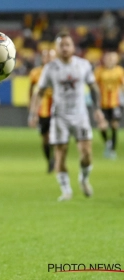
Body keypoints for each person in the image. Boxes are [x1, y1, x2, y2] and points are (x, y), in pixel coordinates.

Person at [28, 32, 106, 201]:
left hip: (80, 115)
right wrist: (33, 113)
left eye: (67, 45)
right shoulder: (50, 68)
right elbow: (39, 92)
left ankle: (84, 179)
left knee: (86, 153)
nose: (64, 48)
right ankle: (66, 190)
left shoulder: (83, 65)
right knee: (60, 154)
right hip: (60, 117)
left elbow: (93, 88)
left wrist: (98, 109)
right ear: (56, 49)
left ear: (73, 47)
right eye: (61, 45)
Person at [28, 49, 56, 173]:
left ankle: (55, 159)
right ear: (42, 58)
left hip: (57, 109)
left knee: (53, 136)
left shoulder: (60, 71)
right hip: (42, 110)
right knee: (45, 138)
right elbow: (32, 90)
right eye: (46, 56)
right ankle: (50, 160)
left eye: (51, 57)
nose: (48, 59)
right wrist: (32, 110)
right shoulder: (35, 73)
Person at [94, 51, 124, 159]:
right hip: (103, 104)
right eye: (108, 58)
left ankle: (112, 151)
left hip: (115, 103)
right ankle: (108, 142)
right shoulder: (99, 71)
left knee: (115, 125)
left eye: (112, 58)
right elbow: (94, 86)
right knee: (102, 126)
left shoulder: (120, 71)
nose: (110, 60)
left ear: (116, 60)